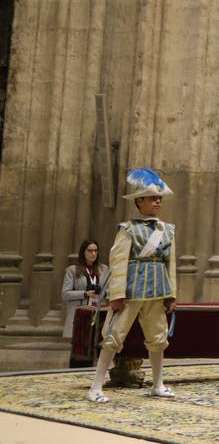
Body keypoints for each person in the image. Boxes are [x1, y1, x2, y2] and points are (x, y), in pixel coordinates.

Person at [87, 169, 178, 404]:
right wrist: (116, 294)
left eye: (159, 198)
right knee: (113, 336)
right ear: (139, 201)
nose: (157, 202)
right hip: (130, 291)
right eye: (152, 198)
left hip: (157, 291)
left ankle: (158, 384)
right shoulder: (128, 229)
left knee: (158, 338)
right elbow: (118, 262)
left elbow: (170, 264)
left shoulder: (167, 230)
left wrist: (171, 294)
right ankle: (95, 387)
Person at [63, 239, 109, 343]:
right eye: (89, 250)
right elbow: (65, 294)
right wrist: (85, 294)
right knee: (79, 345)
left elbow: (111, 291)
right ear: (83, 252)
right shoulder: (72, 270)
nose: (93, 253)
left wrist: (102, 293)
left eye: (96, 250)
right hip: (80, 313)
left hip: (98, 312)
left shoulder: (105, 269)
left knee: (96, 343)